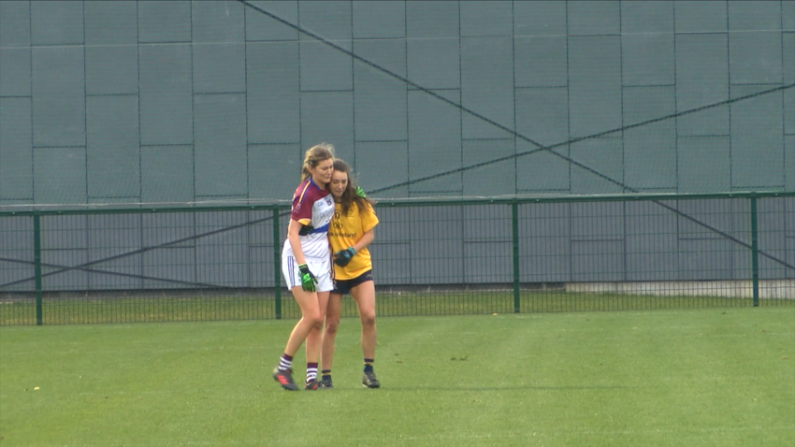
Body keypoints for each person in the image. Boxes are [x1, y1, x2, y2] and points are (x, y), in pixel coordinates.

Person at [272, 143, 336, 391]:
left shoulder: (327, 187)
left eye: (331, 167)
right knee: (312, 315)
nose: (329, 172)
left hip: (322, 258)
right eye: (324, 168)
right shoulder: (306, 192)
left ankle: (312, 378)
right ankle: (283, 367)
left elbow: (344, 190)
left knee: (317, 321)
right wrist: (303, 268)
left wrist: (357, 195)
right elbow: (292, 233)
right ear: (311, 168)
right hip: (301, 257)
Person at [319, 159, 380, 389]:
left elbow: (369, 234)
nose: (339, 186)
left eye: (344, 181)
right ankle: (326, 376)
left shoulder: (358, 203)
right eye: (335, 181)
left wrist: (352, 250)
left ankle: (368, 370)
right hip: (333, 272)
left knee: (369, 316)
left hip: (359, 267)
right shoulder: (320, 203)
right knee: (331, 324)